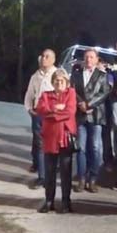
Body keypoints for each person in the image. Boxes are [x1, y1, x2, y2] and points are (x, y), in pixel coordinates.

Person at [36, 69, 77, 213]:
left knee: (66, 172)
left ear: (66, 82)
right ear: (52, 82)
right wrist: (56, 109)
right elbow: (40, 109)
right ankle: (49, 201)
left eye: (62, 81)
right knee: (49, 172)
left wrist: (52, 114)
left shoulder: (71, 93)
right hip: (50, 138)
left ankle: (66, 202)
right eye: (56, 80)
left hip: (65, 137)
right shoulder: (46, 95)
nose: (59, 83)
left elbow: (70, 111)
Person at [71, 49, 109, 192]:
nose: (88, 59)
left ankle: (93, 178)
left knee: (95, 148)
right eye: (86, 57)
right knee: (81, 148)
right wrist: (81, 104)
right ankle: (81, 178)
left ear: (97, 59)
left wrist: (89, 104)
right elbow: (72, 91)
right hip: (80, 115)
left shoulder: (102, 75)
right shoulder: (75, 75)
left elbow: (104, 92)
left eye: (91, 57)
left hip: (96, 115)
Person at [24, 49, 57, 189]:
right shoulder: (35, 76)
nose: (44, 58)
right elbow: (30, 93)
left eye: (47, 56)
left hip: (53, 115)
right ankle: (42, 177)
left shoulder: (58, 75)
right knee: (40, 144)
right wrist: (29, 109)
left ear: (53, 60)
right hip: (38, 114)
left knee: (53, 145)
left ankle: (52, 175)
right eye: (42, 56)